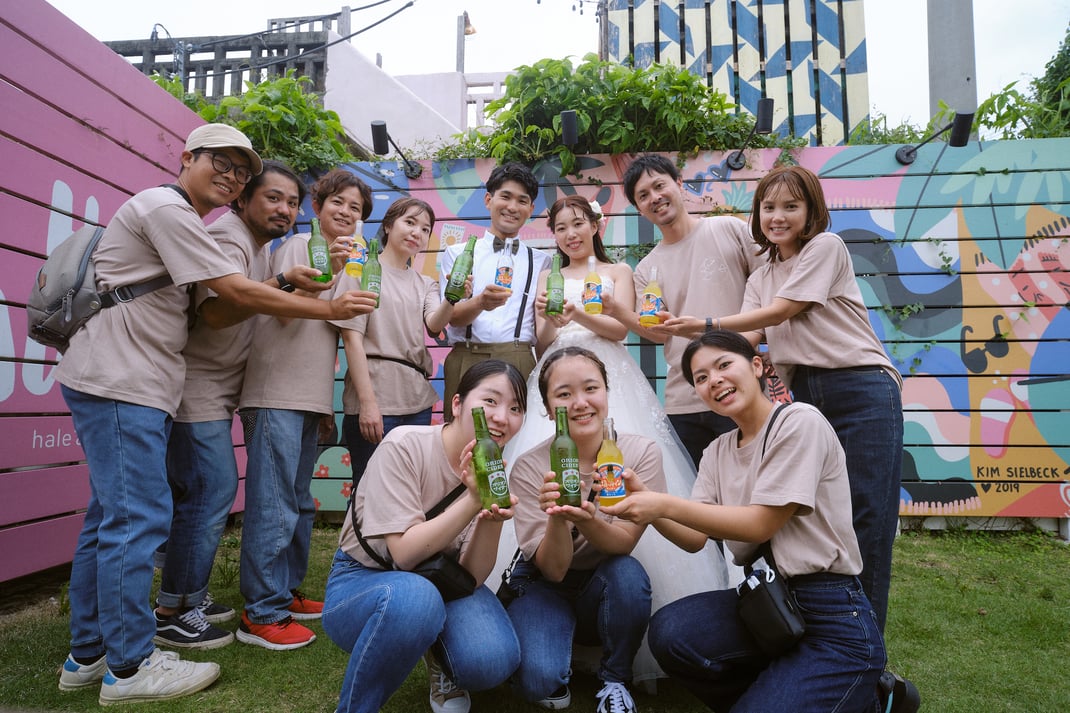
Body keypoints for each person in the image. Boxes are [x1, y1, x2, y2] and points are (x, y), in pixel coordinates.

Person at [55, 124, 376, 705]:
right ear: (186, 159)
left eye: (239, 169)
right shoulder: (173, 211)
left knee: (113, 518)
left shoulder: (216, 228)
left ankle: (90, 652)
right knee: (144, 515)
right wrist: (317, 301)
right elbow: (230, 298)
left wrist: (282, 281)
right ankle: (131, 665)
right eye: (219, 164)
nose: (229, 176)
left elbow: (234, 296)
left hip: (137, 380)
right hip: (125, 379)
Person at [602, 330, 918, 713]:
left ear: (756, 366)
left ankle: (867, 695)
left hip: (830, 612)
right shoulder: (718, 450)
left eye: (723, 365)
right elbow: (694, 537)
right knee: (672, 633)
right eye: (701, 378)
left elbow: (759, 525)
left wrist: (663, 504)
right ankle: (787, 686)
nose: (713, 380)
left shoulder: (799, 422)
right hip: (765, 602)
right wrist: (647, 503)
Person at [659, 165, 903, 632]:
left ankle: (864, 648)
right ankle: (812, 628)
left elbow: (785, 309)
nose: (778, 216)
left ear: (811, 210)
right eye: (769, 207)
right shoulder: (762, 273)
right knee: (812, 516)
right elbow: (750, 334)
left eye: (791, 206)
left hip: (861, 386)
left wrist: (703, 324)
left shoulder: (825, 248)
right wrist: (699, 354)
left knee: (867, 515)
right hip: (806, 392)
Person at [500, 196, 732, 683]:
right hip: (558, 378)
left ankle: (627, 636)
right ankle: (545, 594)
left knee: (626, 476)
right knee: (545, 472)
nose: (570, 234)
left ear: (594, 224)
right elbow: (545, 340)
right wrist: (551, 317)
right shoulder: (548, 276)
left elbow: (620, 329)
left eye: (577, 223)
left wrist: (577, 316)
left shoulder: (620, 269)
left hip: (610, 378)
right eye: (560, 227)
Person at [154, 160, 315, 651]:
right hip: (196, 385)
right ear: (242, 199)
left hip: (221, 388)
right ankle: (172, 611)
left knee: (204, 492)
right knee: (210, 489)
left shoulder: (258, 246)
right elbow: (218, 312)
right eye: (273, 198)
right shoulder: (228, 236)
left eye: (292, 202)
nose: (285, 209)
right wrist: (287, 285)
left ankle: (184, 597)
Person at [321, 360, 525, 713]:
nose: (501, 417)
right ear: (457, 404)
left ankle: (433, 649)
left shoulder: (493, 470)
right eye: (490, 401)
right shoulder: (406, 445)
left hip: (440, 581)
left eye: (515, 408)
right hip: (363, 579)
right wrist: (472, 500)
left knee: (492, 660)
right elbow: (403, 555)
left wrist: (493, 519)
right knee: (416, 600)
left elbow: (471, 578)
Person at [236, 168, 374, 650]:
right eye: (338, 202)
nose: (345, 212)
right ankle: (261, 612)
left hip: (306, 396)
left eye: (355, 209)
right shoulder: (300, 246)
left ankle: (286, 593)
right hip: (274, 393)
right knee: (273, 505)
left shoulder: (344, 259)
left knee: (296, 502)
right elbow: (288, 302)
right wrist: (334, 273)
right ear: (318, 206)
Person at [507, 347, 663, 713]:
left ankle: (615, 678)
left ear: (607, 393)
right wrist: (558, 516)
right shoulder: (530, 468)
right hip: (546, 584)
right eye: (564, 394)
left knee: (628, 574)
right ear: (547, 407)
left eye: (591, 388)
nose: (580, 403)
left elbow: (623, 543)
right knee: (541, 684)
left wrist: (585, 516)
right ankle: (558, 646)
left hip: (606, 578)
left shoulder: (640, 454)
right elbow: (554, 570)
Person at [603, 154, 763, 468]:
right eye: (643, 196)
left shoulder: (729, 229)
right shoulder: (647, 268)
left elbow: (767, 285)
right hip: (682, 399)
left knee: (749, 484)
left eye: (659, 185)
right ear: (639, 209)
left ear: (679, 183)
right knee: (695, 493)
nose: (655, 198)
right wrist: (616, 310)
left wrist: (752, 341)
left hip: (738, 386)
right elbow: (654, 331)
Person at [334, 198, 455, 485]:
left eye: (425, 229)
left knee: (410, 487)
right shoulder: (360, 270)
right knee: (369, 487)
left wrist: (453, 297)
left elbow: (435, 323)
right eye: (409, 222)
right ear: (388, 225)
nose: (417, 233)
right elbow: (352, 339)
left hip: (417, 399)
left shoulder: (425, 283)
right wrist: (367, 403)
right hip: (375, 395)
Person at [439, 161, 550, 414]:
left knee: (518, 443)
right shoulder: (457, 253)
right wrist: (479, 302)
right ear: (489, 200)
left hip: (520, 358)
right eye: (505, 197)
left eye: (522, 201)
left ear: (531, 209)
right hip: (466, 356)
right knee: (462, 442)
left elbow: (543, 327)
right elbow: (451, 319)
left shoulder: (542, 261)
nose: (512, 207)